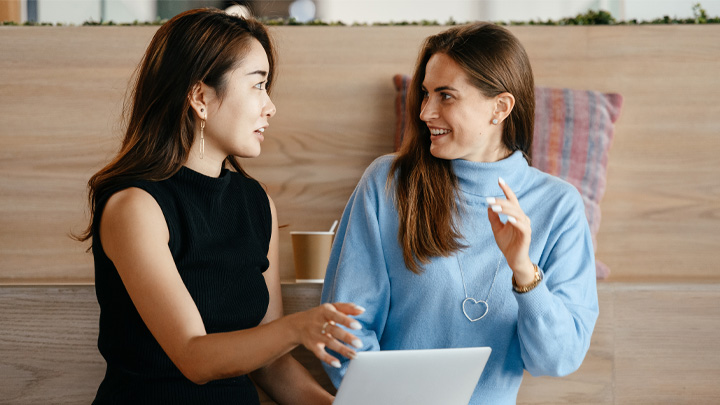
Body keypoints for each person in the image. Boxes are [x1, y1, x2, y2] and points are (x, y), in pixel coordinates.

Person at [75, 9, 363, 404]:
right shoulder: (136, 206)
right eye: (257, 86)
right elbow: (194, 357)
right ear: (200, 97)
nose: (270, 106)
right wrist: (298, 328)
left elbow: (270, 365)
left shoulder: (256, 202)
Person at [321, 22, 599, 404]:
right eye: (425, 94)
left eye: (446, 96)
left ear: (500, 108)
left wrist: (523, 271)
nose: (424, 112)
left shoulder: (560, 206)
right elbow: (344, 331)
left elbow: (558, 359)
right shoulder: (387, 183)